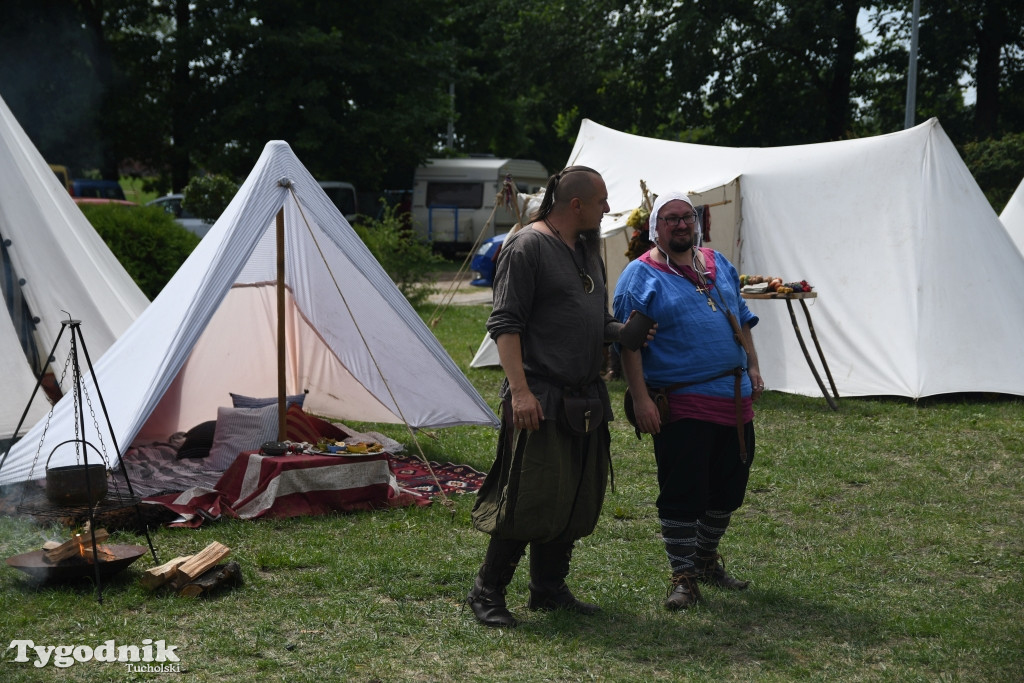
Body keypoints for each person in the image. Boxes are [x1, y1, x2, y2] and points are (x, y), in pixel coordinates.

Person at [467, 166, 636, 628]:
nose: (607, 209)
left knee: (574, 494)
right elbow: (505, 324)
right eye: (601, 201)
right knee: (529, 497)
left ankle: (548, 588)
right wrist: (520, 392)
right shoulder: (527, 247)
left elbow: (594, 319)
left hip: (585, 398)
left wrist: (624, 331)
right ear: (576, 205)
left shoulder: (586, 250)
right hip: (539, 394)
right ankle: (487, 590)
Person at [613, 191, 764, 611]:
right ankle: (683, 576)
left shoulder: (719, 265)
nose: (681, 224)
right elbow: (629, 346)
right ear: (655, 229)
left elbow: (744, 320)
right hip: (681, 401)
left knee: (729, 490)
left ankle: (705, 558)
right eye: (671, 219)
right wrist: (641, 399)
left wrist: (753, 367)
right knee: (684, 492)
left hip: (734, 398)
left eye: (686, 217)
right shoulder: (641, 276)